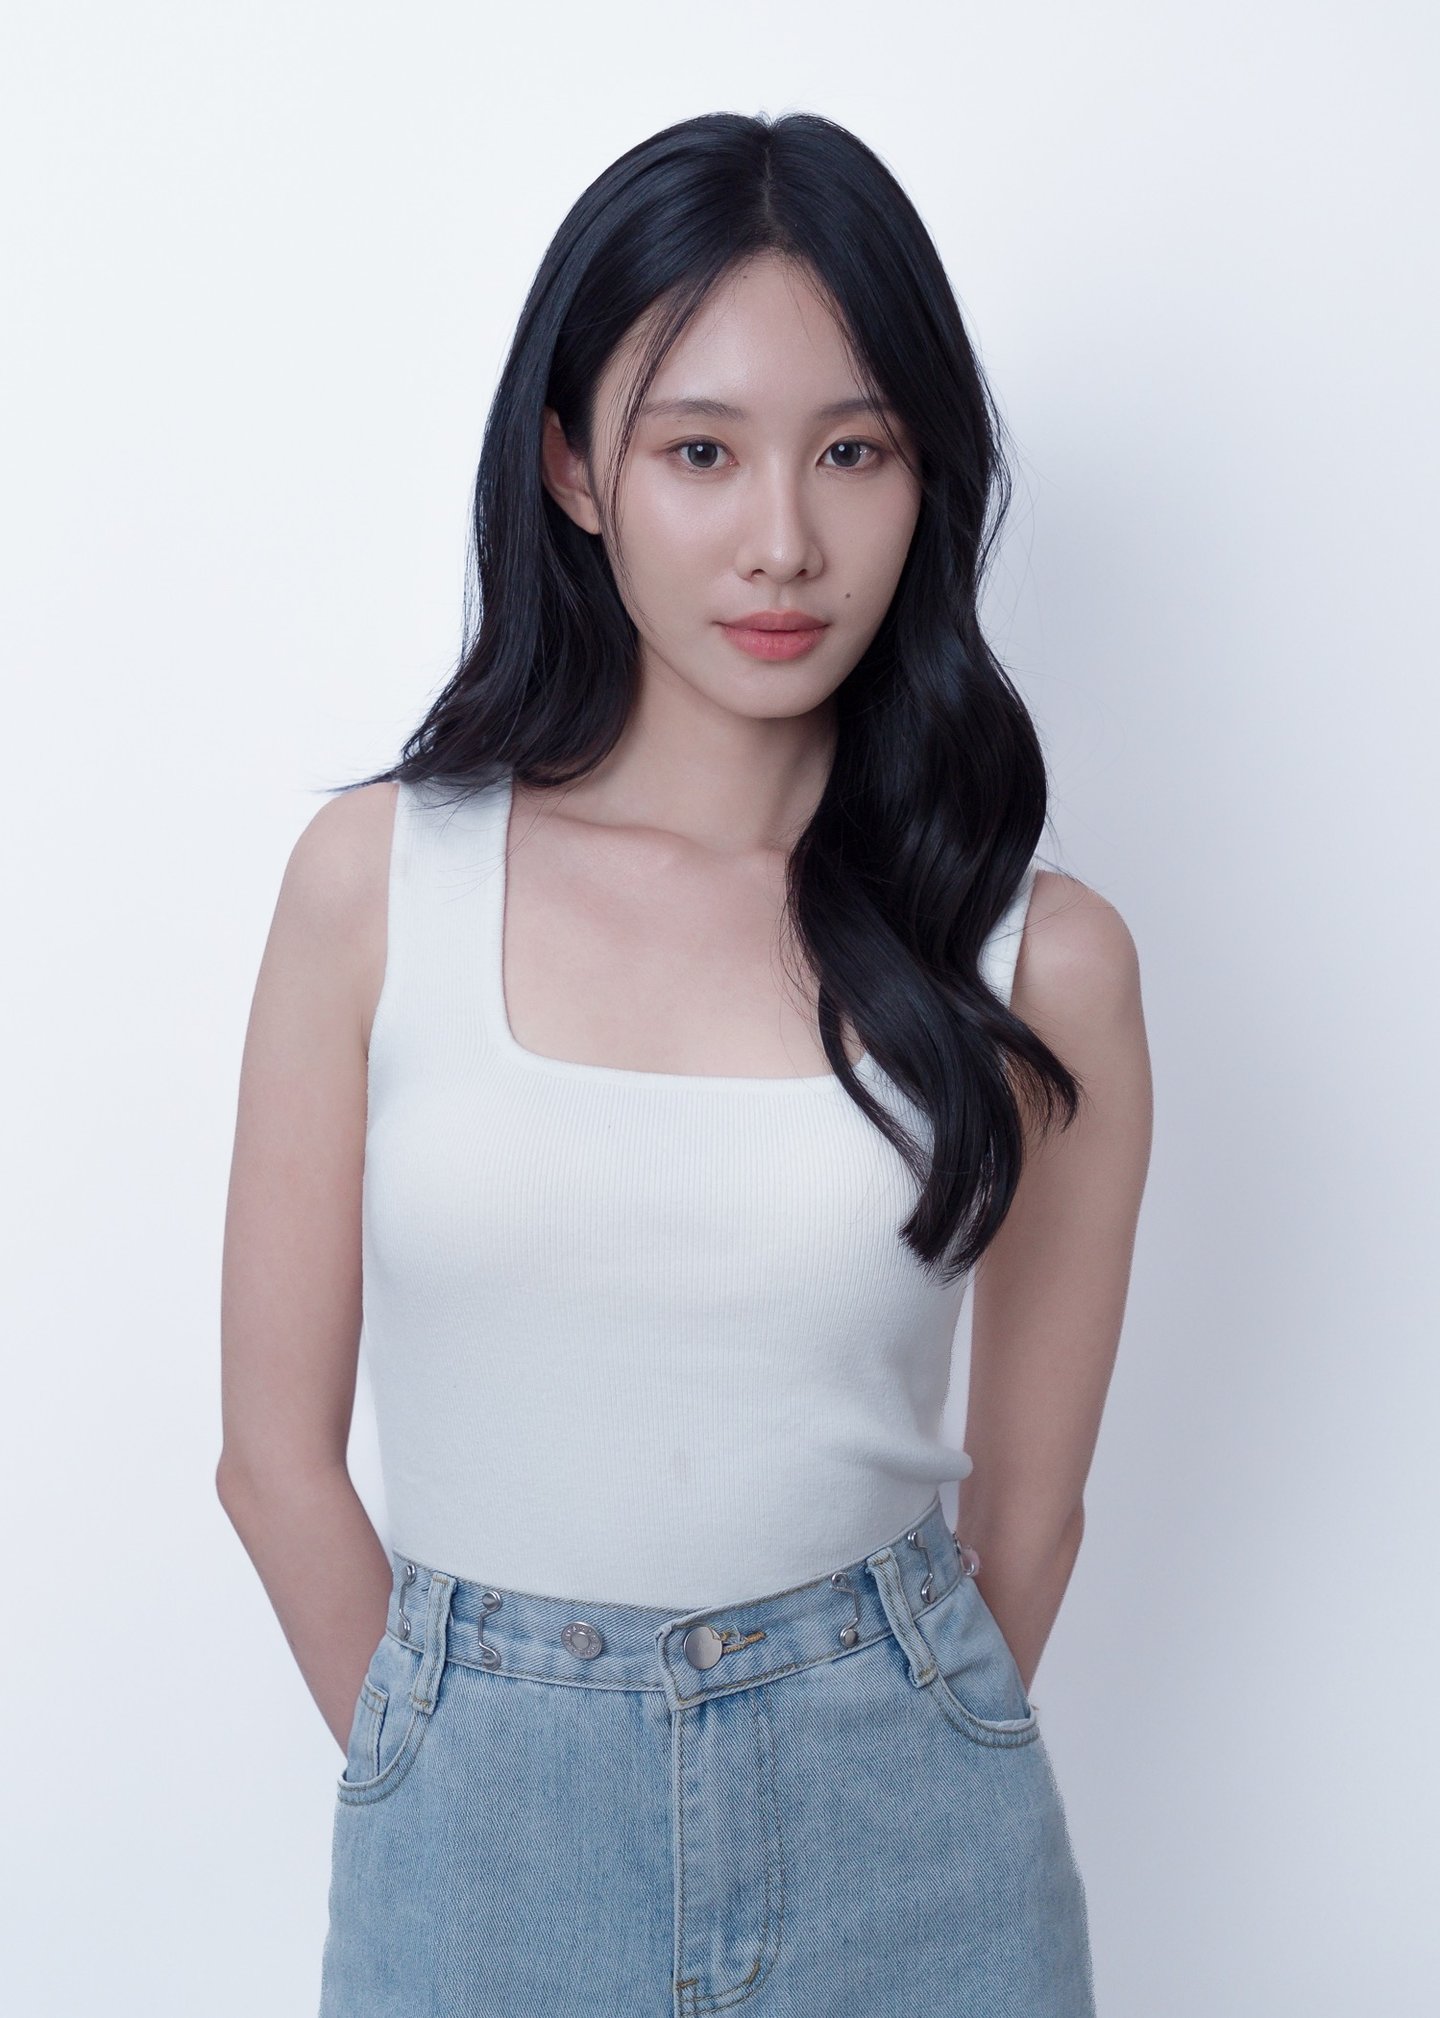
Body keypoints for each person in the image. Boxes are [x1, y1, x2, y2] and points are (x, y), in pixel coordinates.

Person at [217, 109, 1152, 2017]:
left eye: (854, 450)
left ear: (928, 474)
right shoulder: (382, 884)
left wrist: (856, 1733)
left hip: (913, 1849)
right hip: (482, 1838)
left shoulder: (1039, 961)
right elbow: (271, 1462)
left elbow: (1027, 1518)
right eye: (700, 449)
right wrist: (453, 1755)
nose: (783, 539)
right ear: (575, 464)